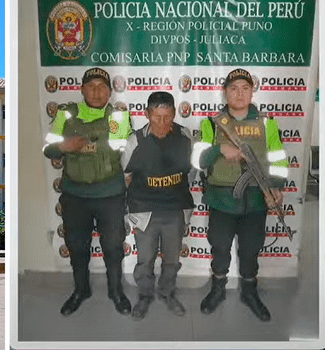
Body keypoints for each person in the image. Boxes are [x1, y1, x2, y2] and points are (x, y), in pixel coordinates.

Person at [191, 68, 288, 321]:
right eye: (234, 88)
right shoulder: (211, 123)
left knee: (250, 250)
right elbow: (198, 160)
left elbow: (277, 158)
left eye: (245, 88)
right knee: (220, 247)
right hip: (222, 201)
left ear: (252, 91)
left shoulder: (267, 123)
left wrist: (276, 187)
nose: (239, 93)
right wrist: (218, 149)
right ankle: (218, 289)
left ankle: (249, 292)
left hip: (256, 201)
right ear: (225, 92)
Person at [43, 67, 133, 316]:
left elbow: (128, 152)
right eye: (91, 86)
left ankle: (116, 291)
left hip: (110, 195)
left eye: (102, 86)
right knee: (77, 246)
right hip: (75, 196)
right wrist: (63, 144)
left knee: (113, 247)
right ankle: (81, 290)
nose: (96, 91)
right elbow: (48, 149)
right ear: (81, 89)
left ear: (110, 91)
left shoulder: (119, 117)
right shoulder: (65, 114)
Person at [121, 91, 194, 320]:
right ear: (147, 115)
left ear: (174, 114)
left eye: (167, 117)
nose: (163, 123)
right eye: (157, 117)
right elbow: (125, 175)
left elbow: (190, 173)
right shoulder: (136, 141)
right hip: (145, 210)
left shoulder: (185, 136)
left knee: (172, 259)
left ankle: (167, 293)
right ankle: (144, 296)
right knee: (145, 259)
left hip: (175, 209)